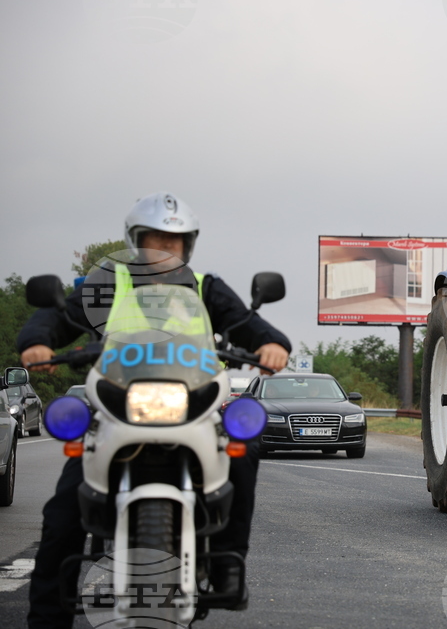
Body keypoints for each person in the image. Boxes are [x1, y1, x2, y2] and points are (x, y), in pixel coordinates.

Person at [19, 192, 291, 628]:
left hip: (193, 404)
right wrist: (38, 341)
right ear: (135, 241)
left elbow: (245, 323)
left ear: (188, 246)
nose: (164, 249)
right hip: (117, 406)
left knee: (246, 448)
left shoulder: (207, 288)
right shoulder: (109, 286)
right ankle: (47, 620)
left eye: (174, 241)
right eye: (154, 239)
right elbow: (60, 318)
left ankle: (228, 560)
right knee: (62, 515)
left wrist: (272, 344)